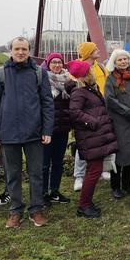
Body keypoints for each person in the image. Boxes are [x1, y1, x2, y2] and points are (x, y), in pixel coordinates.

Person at [0, 37, 54, 228]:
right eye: (17, 49)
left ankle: (36, 210)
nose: (21, 52)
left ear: (29, 51)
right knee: (12, 174)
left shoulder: (39, 73)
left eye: (24, 49)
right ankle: (15, 211)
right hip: (8, 134)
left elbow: (47, 103)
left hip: (34, 133)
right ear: (11, 50)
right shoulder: (0, 75)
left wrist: (47, 129)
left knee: (36, 174)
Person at [69, 60, 118, 218]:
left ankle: (86, 202)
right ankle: (84, 205)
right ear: (85, 75)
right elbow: (75, 112)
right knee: (93, 171)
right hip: (90, 136)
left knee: (94, 170)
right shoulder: (79, 92)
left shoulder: (90, 89)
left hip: (95, 136)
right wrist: (94, 122)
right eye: (90, 71)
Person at [104, 50, 130, 198]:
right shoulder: (110, 79)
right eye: (119, 60)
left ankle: (127, 185)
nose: (123, 62)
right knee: (119, 155)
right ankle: (115, 187)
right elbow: (109, 99)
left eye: (125, 59)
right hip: (118, 122)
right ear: (114, 63)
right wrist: (125, 110)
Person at [73, 42, 110, 192]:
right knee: (83, 144)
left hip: (101, 108)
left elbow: (108, 84)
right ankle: (79, 176)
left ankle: (103, 169)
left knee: (103, 140)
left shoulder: (100, 67)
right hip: (86, 111)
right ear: (88, 52)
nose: (98, 50)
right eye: (95, 49)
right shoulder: (78, 67)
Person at [42, 52, 77, 204]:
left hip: (63, 129)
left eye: (59, 62)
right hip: (46, 131)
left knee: (58, 162)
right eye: (53, 62)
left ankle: (54, 191)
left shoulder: (69, 81)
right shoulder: (42, 80)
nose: (57, 65)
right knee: (44, 164)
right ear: (48, 64)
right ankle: (42, 193)